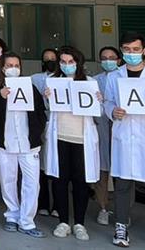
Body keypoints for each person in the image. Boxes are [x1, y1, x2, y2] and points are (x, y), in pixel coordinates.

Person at [102, 32, 145, 250]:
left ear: (144, 50)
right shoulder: (114, 77)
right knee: (123, 186)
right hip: (124, 137)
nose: (131, 54)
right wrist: (113, 111)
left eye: (135, 49)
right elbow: (107, 103)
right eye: (126, 50)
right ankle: (121, 226)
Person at [43, 46, 102, 241]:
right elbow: (49, 108)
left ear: (78, 63)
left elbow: (98, 111)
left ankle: (79, 223)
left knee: (80, 182)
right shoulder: (52, 82)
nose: (67, 65)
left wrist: (99, 100)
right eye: (63, 62)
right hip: (60, 136)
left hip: (81, 138)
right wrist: (47, 97)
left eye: (71, 62)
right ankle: (62, 221)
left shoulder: (90, 83)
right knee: (60, 180)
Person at [0, 52, 47, 238]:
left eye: (17, 65)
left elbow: (40, 113)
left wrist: (36, 133)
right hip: (4, 142)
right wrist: (0, 98)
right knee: (8, 180)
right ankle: (12, 215)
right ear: (3, 68)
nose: (13, 68)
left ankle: (27, 221)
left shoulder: (30, 87)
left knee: (32, 183)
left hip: (28, 143)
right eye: (9, 65)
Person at [93, 46, 121, 226]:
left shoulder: (125, 78)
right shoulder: (94, 81)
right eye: (104, 58)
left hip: (121, 126)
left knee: (123, 174)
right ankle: (103, 207)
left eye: (112, 57)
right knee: (102, 170)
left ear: (119, 60)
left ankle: (121, 211)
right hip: (101, 127)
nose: (108, 61)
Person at [34, 47, 60, 218]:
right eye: (46, 58)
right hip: (41, 121)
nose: (50, 61)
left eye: (53, 58)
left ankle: (58, 205)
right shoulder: (35, 78)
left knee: (58, 166)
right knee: (41, 166)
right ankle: (43, 203)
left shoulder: (64, 79)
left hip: (59, 123)